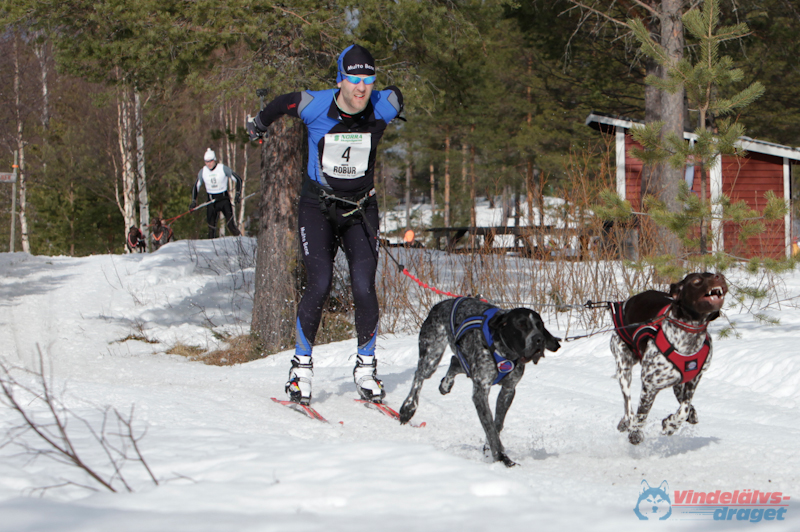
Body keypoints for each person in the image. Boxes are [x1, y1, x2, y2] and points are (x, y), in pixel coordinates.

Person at [247, 44, 403, 405]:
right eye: (353, 79)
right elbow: (281, 103)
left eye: (368, 80)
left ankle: (365, 368)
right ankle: (300, 368)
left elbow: (397, 95)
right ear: (340, 80)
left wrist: (394, 96)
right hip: (317, 207)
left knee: (364, 285)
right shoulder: (315, 105)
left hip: (361, 210)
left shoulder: (384, 107)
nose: (361, 88)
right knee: (319, 282)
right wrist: (258, 126)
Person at [190, 148, 242, 238]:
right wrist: (193, 201)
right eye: (206, 162)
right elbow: (196, 186)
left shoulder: (222, 168)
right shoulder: (203, 171)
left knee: (231, 225)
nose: (208, 164)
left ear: (214, 160)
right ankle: (212, 249)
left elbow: (238, 179)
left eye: (210, 161)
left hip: (223, 199)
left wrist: (238, 194)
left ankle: (242, 241)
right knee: (211, 229)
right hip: (211, 201)